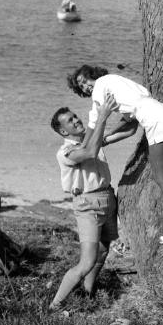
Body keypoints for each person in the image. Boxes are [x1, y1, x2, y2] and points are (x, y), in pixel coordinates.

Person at [67, 65, 163, 244]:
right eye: (80, 87)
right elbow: (130, 126)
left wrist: (83, 144)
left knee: (161, 177)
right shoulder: (119, 84)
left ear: (93, 75)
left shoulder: (100, 86)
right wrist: (108, 137)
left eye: (85, 81)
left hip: (157, 122)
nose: (85, 86)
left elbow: (93, 122)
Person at [49, 93, 119, 312]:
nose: (77, 120)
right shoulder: (65, 151)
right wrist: (101, 118)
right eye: (70, 121)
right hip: (88, 205)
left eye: (76, 116)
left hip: (107, 198)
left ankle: (88, 293)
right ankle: (53, 306)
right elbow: (89, 152)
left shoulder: (90, 139)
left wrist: (134, 113)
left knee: (103, 251)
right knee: (86, 262)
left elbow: (125, 132)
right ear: (63, 131)